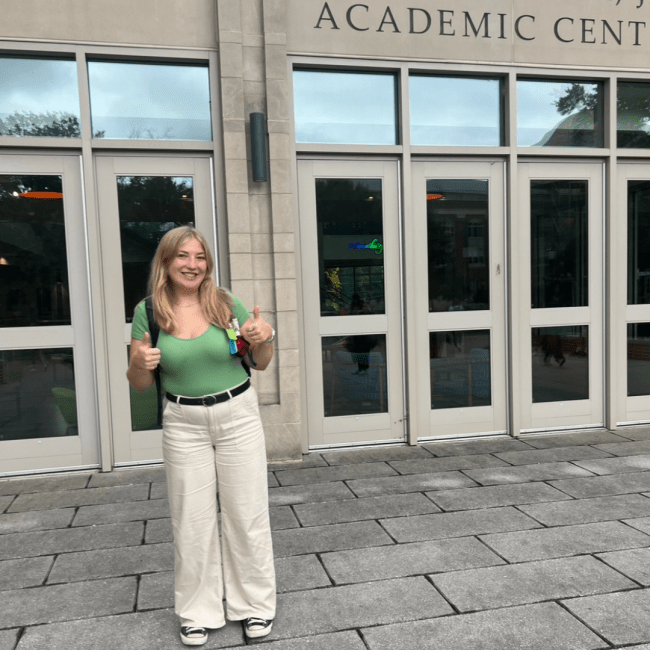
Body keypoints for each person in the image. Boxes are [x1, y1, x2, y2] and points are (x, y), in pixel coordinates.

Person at [126, 226, 276, 646]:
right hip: (183, 423)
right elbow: (138, 383)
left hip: (238, 416)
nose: (192, 265)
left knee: (246, 516)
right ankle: (197, 612)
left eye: (200, 257)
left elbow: (259, 361)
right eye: (183, 256)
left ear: (207, 263)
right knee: (190, 522)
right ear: (167, 261)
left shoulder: (225, 303)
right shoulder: (149, 312)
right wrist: (140, 361)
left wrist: (264, 338)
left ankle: (255, 608)